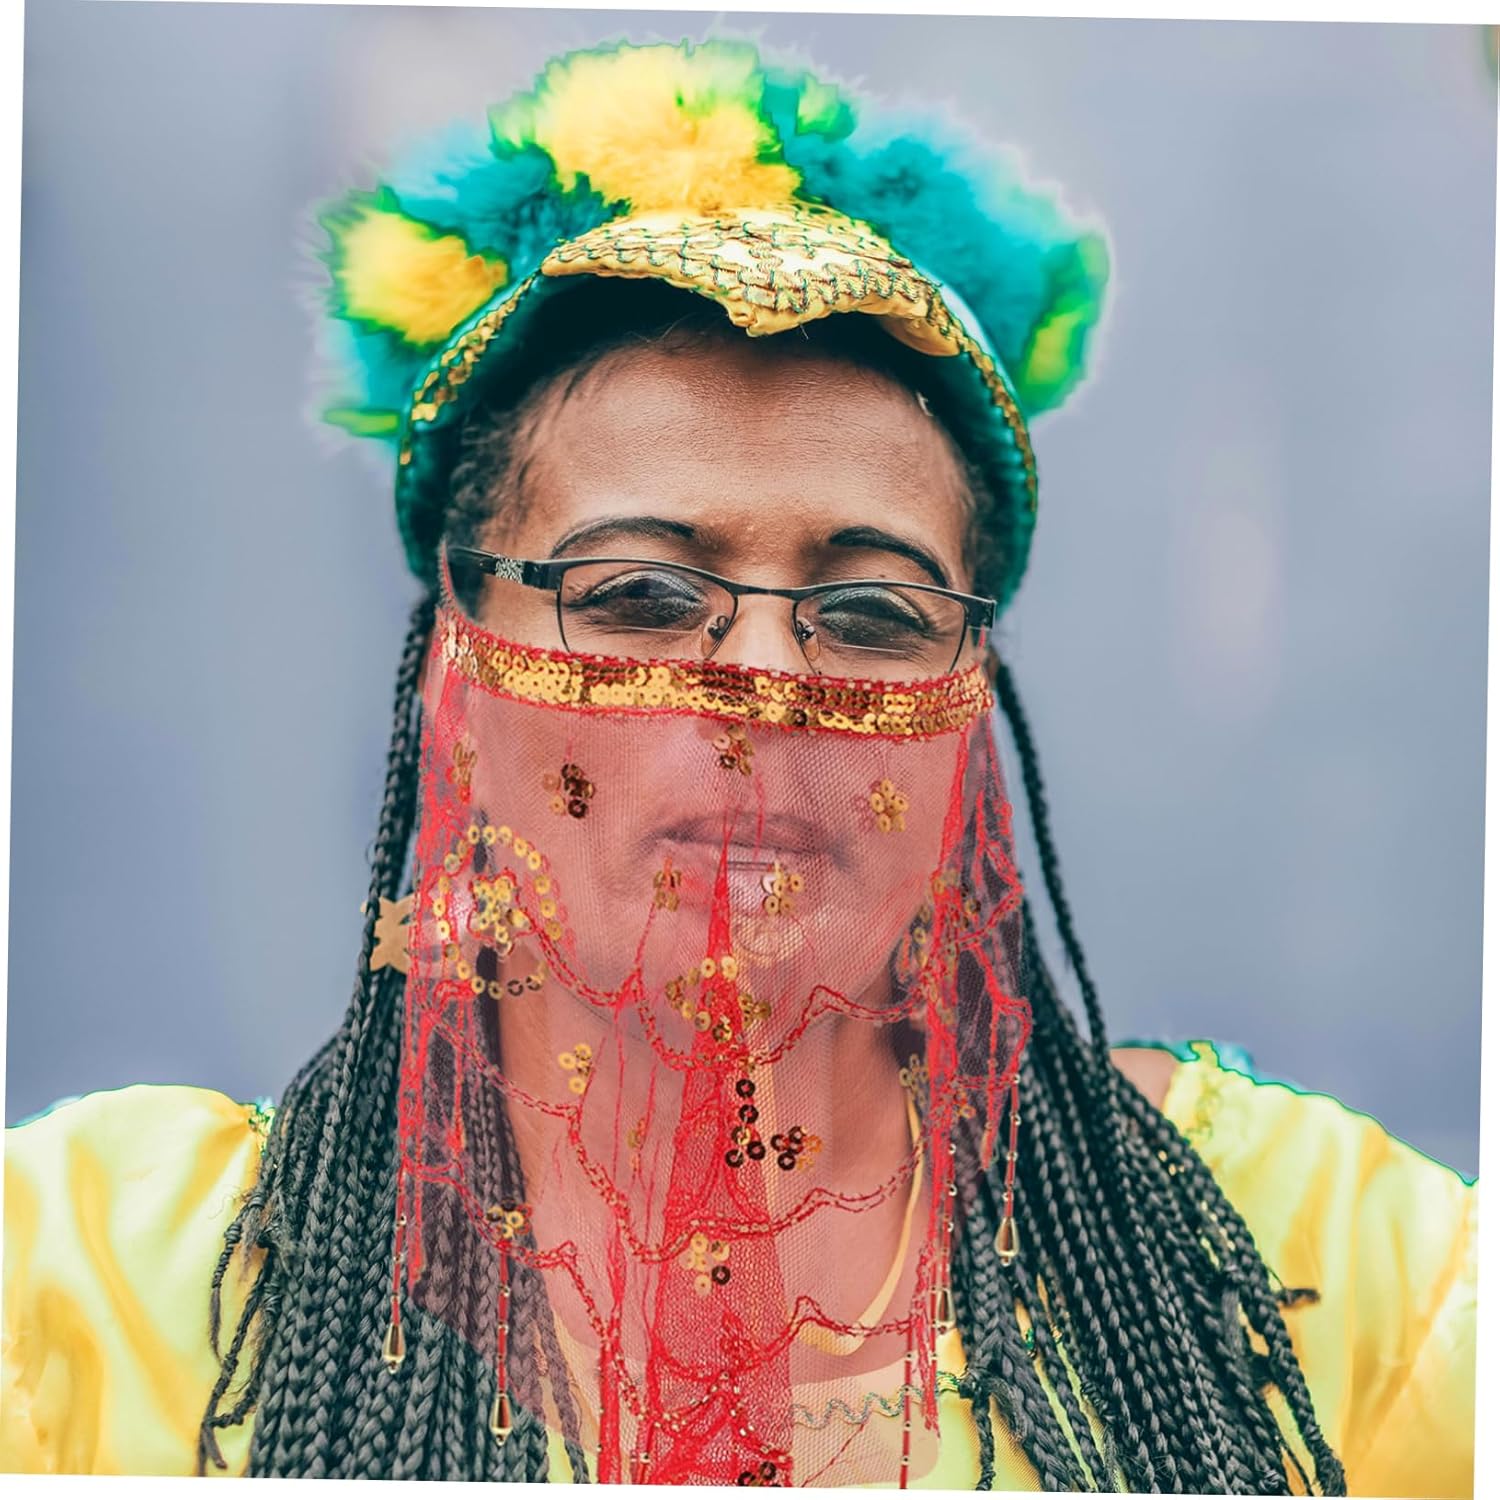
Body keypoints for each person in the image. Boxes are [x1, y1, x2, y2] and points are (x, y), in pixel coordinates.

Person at [0, 36, 1477, 1494]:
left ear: (968, 713)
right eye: (640, 594)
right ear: (457, 677)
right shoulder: (89, 1301)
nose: (766, 685)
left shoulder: (1339, 1279)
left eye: (873, 613)